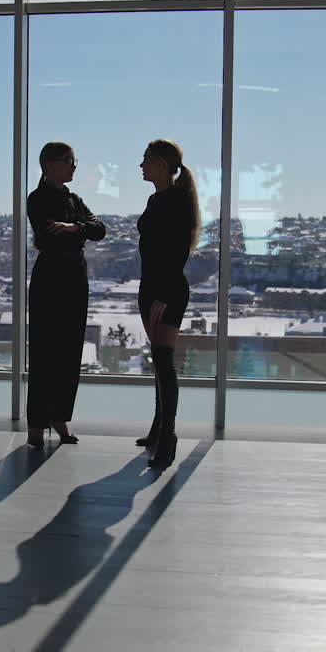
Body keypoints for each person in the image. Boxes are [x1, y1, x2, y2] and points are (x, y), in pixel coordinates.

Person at [26, 142, 106, 449]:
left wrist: (73, 228)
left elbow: (100, 229)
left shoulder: (74, 199)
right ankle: (37, 423)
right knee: (45, 350)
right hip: (51, 276)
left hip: (75, 275)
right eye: (71, 161)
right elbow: (48, 234)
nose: (75, 167)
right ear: (51, 164)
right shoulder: (37, 199)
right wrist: (81, 228)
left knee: (71, 349)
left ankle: (60, 417)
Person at [135, 138, 199, 469]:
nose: (141, 165)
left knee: (163, 361)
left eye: (145, 159)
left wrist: (161, 295)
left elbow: (176, 253)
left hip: (167, 289)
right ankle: (158, 427)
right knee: (159, 361)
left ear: (161, 164)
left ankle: (168, 435)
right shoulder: (157, 198)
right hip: (151, 287)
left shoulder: (175, 201)